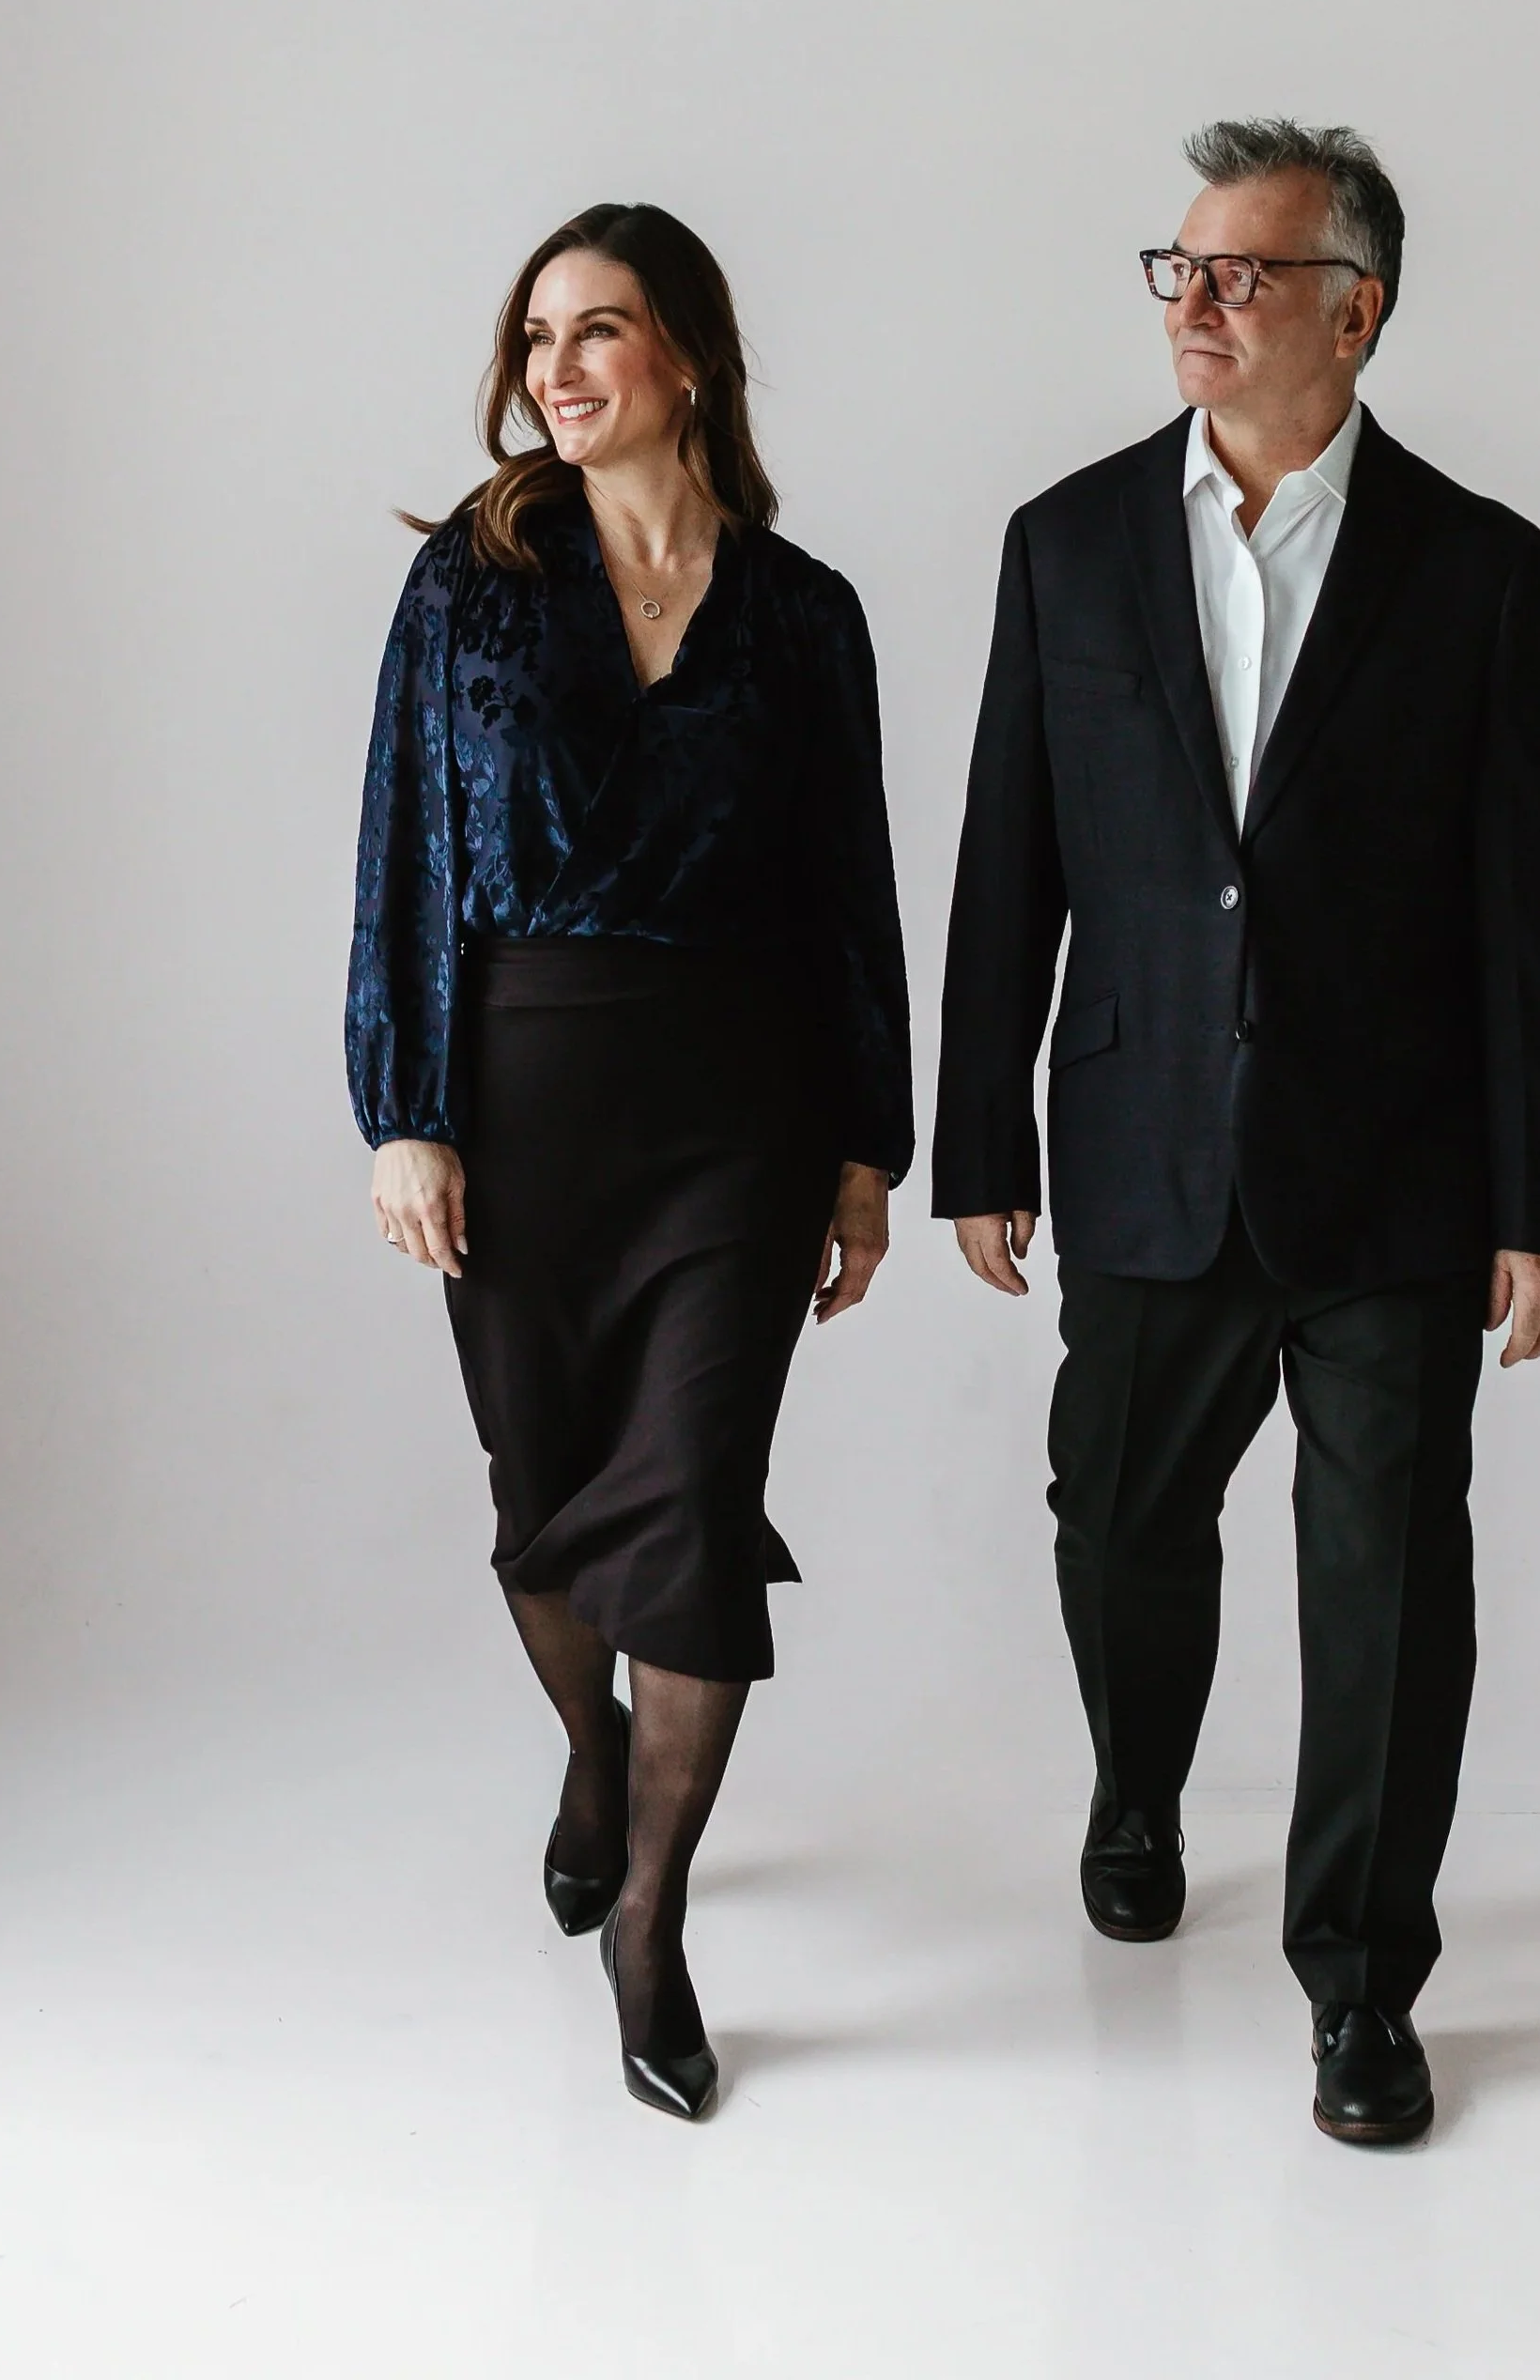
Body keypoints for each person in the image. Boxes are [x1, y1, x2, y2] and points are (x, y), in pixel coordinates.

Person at [933, 120, 1540, 2145]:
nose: (1192, 305)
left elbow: (1529, 911)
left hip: (1391, 1170)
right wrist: (974, 1135)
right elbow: (1003, 860)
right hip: (1139, 1141)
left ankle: (1360, 1983)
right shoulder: (1065, 543)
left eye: (1237, 275)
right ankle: (1137, 1783)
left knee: (1386, 1583)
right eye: (1179, 268)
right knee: (1117, 1523)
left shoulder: (1478, 569)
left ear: (1353, 311)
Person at [346, 204, 912, 2122]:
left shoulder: (804, 609)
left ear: (687, 355)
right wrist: (404, 1107)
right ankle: (590, 1749)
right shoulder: (478, 581)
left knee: (687, 1505)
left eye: (599, 332)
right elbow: (405, 846)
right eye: (535, 341)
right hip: (521, 1095)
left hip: (738, 1115)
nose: (558, 372)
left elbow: (853, 891)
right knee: (545, 1497)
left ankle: (651, 1919)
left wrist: (861, 1148)